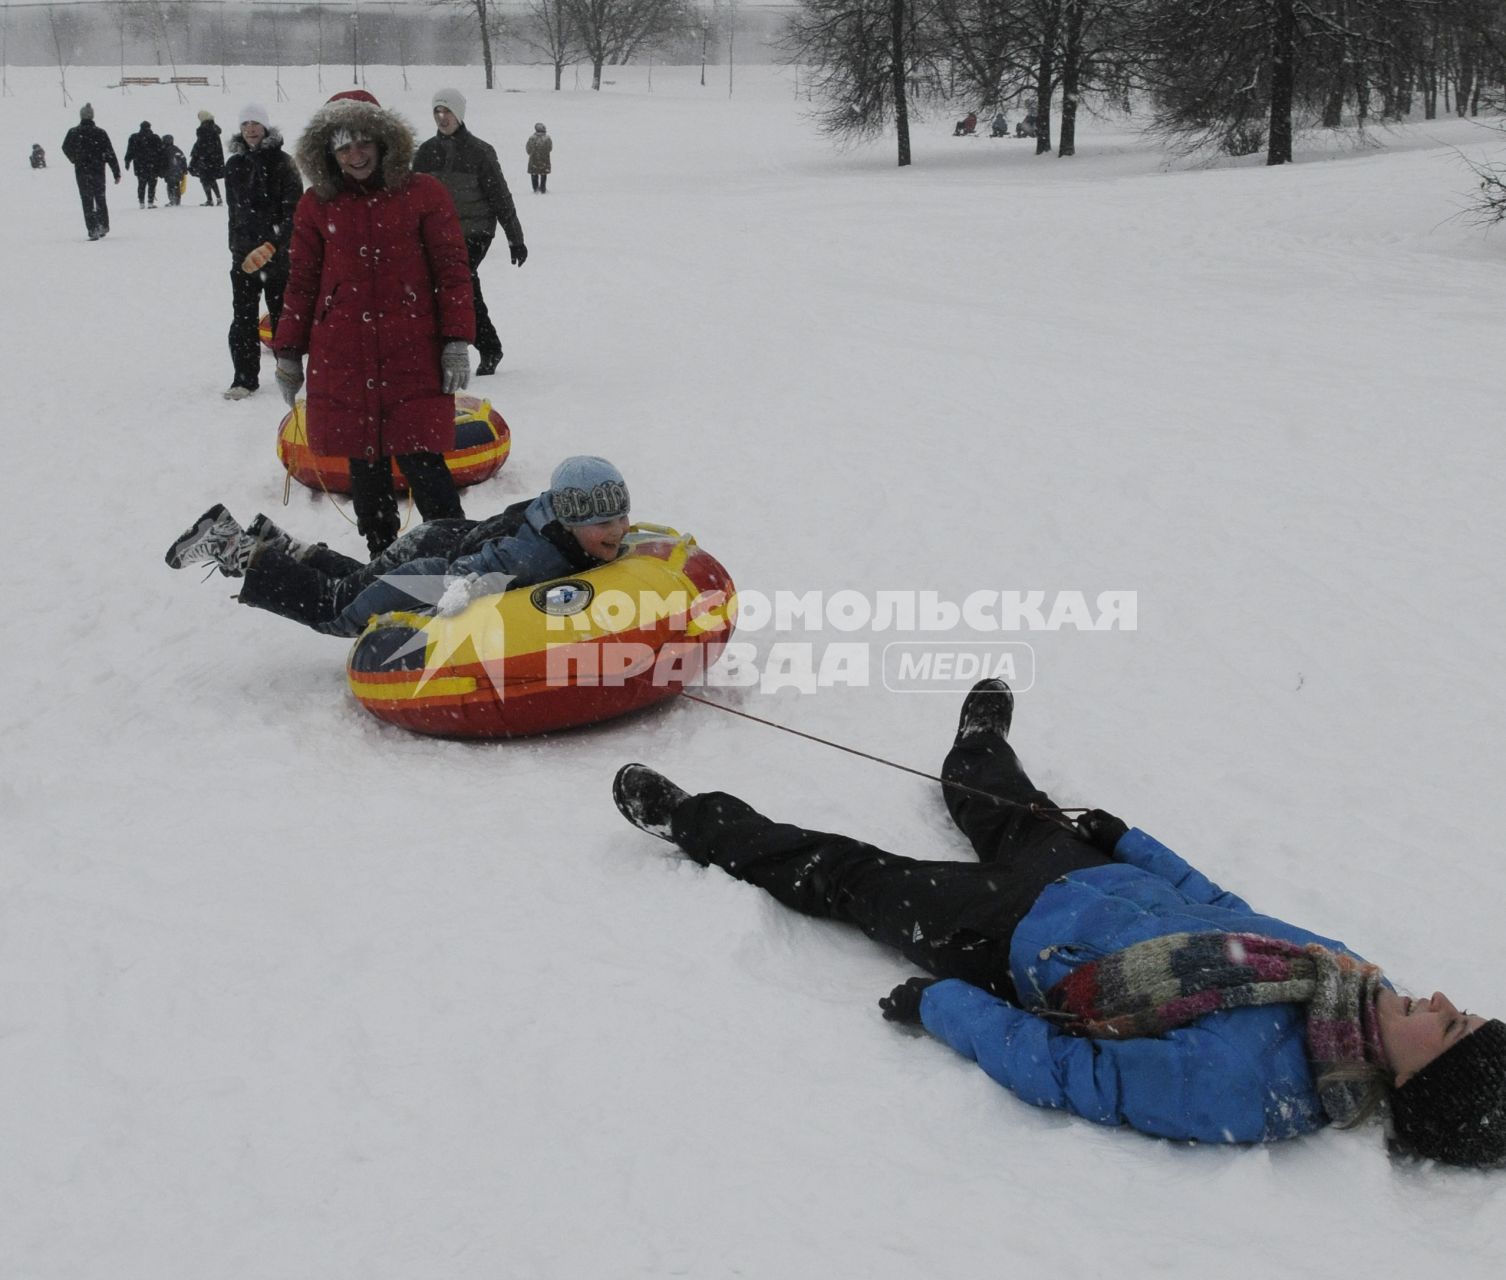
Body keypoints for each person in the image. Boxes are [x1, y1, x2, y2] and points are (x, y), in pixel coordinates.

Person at [611, 680, 1506, 1167]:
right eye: (1459, 1007)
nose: (1438, 998)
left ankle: (692, 821)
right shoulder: (1350, 976)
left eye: (1450, 1024)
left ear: (1425, 1079)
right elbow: (1223, 910)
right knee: (998, 799)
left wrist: (945, 1010)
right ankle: (974, 743)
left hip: (1010, 943)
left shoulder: (1250, 1089)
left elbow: (1074, 1074)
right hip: (1093, 879)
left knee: (850, 877)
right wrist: (1128, 842)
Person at [276, 89, 476, 559]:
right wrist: (288, 352)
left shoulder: (424, 193)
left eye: (363, 142)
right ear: (329, 151)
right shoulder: (316, 205)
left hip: (413, 352)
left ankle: (459, 556)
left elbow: (451, 269)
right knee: (365, 464)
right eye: (343, 146)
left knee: (423, 459)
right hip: (343, 354)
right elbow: (301, 282)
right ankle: (382, 559)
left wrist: (455, 341)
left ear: (384, 141)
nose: (355, 155)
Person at [164, 456, 631, 637]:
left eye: (621, 516)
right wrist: (445, 611)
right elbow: (471, 577)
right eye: (603, 522)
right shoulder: (533, 555)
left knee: (358, 585)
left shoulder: (557, 520)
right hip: (433, 568)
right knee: (338, 612)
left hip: (440, 538)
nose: (618, 530)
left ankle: (279, 545)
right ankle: (232, 547)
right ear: (570, 518)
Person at [412, 88, 527, 378]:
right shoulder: (426, 152)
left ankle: (485, 346)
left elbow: (501, 197)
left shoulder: (480, 152)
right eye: (437, 112)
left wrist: (515, 238)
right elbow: (411, 197)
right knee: (454, 289)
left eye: (447, 111)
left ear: (459, 114)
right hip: (438, 234)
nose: (442, 117)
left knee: (459, 283)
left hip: (474, 231)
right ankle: (481, 346)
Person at [222, 103, 303, 401]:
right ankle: (244, 379)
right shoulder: (234, 165)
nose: (251, 129)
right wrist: (236, 247)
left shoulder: (283, 162)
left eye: (256, 124)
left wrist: (272, 244)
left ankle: (289, 372)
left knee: (284, 316)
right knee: (242, 318)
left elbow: (294, 210)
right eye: (246, 125)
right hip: (243, 257)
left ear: (265, 127)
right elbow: (234, 212)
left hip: (278, 257)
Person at [60, 104, 121, 242]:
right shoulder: (100, 132)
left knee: (87, 200)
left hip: (82, 170)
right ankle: (103, 225)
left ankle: (92, 229)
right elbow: (110, 153)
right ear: (92, 116)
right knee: (100, 197)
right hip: (98, 170)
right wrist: (116, 172)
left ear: (81, 116)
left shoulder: (74, 132)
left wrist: (74, 158)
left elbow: (65, 147)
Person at [123, 120, 164, 208]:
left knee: (141, 183)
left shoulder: (134, 137)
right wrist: (161, 164)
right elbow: (161, 152)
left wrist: (127, 161)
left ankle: (141, 202)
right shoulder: (155, 138)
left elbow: (130, 150)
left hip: (139, 165)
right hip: (153, 165)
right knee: (152, 184)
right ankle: (150, 202)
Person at [189, 109, 225, 206]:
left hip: (205, 159)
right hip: (215, 159)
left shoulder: (203, 129)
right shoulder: (214, 129)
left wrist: (196, 157)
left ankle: (210, 199)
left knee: (205, 179)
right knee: (211, 179)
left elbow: (200, 145)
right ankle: (219, 198)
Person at [160, 134, 188, 207]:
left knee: (170, 186)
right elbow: (183, 159)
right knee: (176, 185)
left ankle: (172, 201)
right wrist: (185, 169)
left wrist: (161, 172)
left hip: (169, 171)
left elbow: (163, 162)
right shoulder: (177, 149)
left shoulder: (164, 150)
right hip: (178, 172)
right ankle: (177, 201)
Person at [526, 122, 552, 194]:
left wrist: (533, 154)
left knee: (534, 174)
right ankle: (543, 188)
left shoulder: (532, 138)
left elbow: (528, 149)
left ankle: (535, 188)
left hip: (533, 160)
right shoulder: (547, 138)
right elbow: (550, 148)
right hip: (544, 160)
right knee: (543, 174)